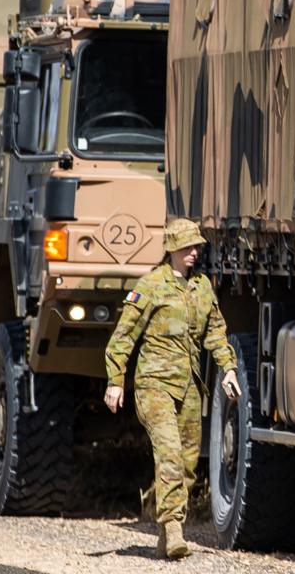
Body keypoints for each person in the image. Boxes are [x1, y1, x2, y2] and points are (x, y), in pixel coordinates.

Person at [103, 218, 240, 560]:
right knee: (170, 453)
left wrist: (228, 367)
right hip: (153, 385)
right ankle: (175, 526)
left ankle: (166, 535)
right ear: (171, 249)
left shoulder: (203, 287)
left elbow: (215, 333)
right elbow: (123, 337)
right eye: (187, 247)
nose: (194, 252)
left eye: (196, 247)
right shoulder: (150, 286)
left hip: (190, 388)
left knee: (189, 464)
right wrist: (116, 381)